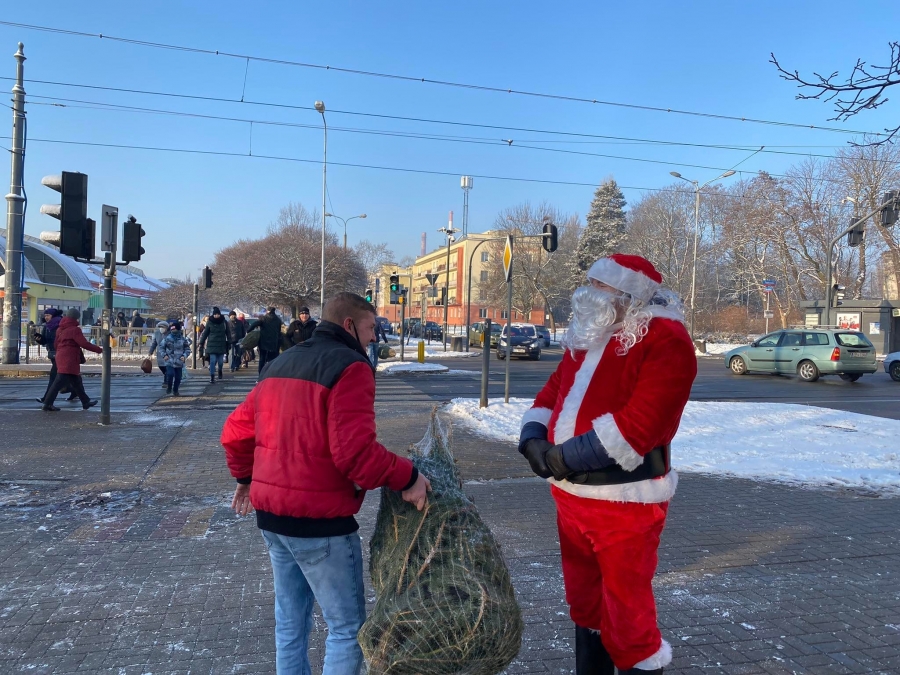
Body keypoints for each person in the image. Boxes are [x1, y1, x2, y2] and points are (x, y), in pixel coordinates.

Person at [222, 292, 431, 675]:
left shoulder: (280, 363)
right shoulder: (350, 367)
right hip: (321, 524)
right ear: (349, 325)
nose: (374, 336)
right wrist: (410, 476)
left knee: (290, 623)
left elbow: (235, 431)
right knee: (348, 630)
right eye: (370, 327)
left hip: (273, 520)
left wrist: (245, 478)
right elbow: (356, 455)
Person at [518, 254, 696, 675]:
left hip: (624, 503)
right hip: (571, 497)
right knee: (585, 604)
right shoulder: (592, 332)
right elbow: (554, 391)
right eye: (590, 283)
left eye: (599, 285)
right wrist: (532, 436)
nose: (588, 292)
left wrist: (564, 456)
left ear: (627, 294)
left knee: (628, 617)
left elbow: (642, 424)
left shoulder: (665, 339)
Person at [42, 309, 102, 411]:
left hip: (61, 356)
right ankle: (47, 404)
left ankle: (86, 402)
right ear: (76, 318)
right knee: (58, 382)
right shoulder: (74, 330)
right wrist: (99, 350)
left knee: (76, 381)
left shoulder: (60, 329)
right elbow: (84, 343)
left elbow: (56, 344)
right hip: (69, 358)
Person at [33, 308, 62, 404]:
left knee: (53, 377)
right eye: (45, 315)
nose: (46, 317)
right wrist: (39, 339)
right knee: (69, 377)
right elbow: (44, 340)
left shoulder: (60, 325)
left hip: (60, 353)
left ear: (53, 316)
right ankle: (74, 391)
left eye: (48, 315)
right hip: (52, 353)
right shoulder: (47, 326)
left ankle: (46, 399)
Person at [199, 307, 232, 383]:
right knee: (212, 361)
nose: (216, 315)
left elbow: (228, 332)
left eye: (217, 314)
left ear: (220, 314)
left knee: (220, 362)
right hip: (212, 344)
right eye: (215, 314)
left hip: (221, 344)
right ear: (213, 315)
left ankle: (220, 370)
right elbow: (205, 333)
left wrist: (229, 342)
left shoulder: (224, 322)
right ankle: (212, 376)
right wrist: (201, 342)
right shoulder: (210, 322)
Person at [247, 307, 284, 375]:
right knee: (272, 359)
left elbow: (254, 324)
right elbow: (279, 331)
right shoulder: (278, 320)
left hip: (263, 341)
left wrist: (248, 330)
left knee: (262, 358)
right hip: (274, 342)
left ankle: (261, 374)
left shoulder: (264, 318)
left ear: (268, 311)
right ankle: (271, 373)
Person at [161, 321, 192, 396]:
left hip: (179, 361)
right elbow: (161, 348)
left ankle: (175, 390)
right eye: (172, 329)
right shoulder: (167, 338)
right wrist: (164, 355)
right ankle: (169, 387)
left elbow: (187, 349)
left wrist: (184, 356)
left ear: (178, 329)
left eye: (174, 329)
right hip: (169, 360)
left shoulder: (182, 339)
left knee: (178, 377)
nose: (173, 331)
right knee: (170, 374)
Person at [147, 321, 171, 389]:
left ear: (166, 328)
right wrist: (150, 352)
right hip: (160, 354)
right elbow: (154, 343)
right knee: (162, 367)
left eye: (163, 327)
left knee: (167, 368)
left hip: (168, 354)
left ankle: (166, 382)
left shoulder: (170, 334)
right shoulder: (157, 333)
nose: (161, 328)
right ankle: (168, 378)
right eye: (160, 327)